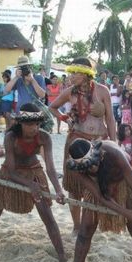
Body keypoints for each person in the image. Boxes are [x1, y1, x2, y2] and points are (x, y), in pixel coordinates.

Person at [0, 104, 66, 262]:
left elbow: (51, 168)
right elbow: (11, 171)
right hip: (11, 173)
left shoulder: (44, 137)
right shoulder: (11, 137)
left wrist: (59, 190)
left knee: (47, 215)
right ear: (22, 124)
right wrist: (30, 185)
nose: (35, 128)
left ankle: (62, 256)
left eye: (37, 124)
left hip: (34, 171)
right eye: (30, 124)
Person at [65, 138, 132, 262]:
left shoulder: (114, 154)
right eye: (88, 168)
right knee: (85, 228)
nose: (92, 169)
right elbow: (101, 197)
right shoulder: (75, 168)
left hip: (123, 180)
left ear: (98, 155)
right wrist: (126, 213)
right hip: (98, 186)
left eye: (94, 164)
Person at [49, 58, 116, 235]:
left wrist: (114, 143)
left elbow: (110, 118)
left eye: (75, 73)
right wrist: (66, 118)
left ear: (86, 75)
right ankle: (77, 225)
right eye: (71, 73)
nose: (71, 77)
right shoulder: (69, 92)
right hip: (77, 140)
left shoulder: (102, 91)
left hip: (99, 141)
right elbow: (53, 107)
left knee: (100, 183)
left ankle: (97, 222)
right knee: (74, 186)